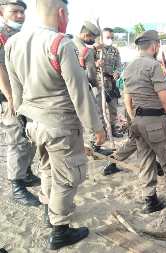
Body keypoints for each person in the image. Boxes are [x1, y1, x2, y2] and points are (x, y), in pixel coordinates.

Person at [5, 0, 106, 249]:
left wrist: (21, 116)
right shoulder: (61, 43)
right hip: (60, 124)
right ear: (61, 13)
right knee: (67, 177)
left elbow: (15, 87)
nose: (68, 18)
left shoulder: (13, 42)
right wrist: (96, 127)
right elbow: (79, 91)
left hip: (33, 122)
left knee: (48, 169)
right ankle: (60, 229)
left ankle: (49, 212)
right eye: (68, 13)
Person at [123, 30, 166, 217]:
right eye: (158, 46)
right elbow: (165, 100)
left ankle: (151, 201)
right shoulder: (153, 66)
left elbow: (127, 98)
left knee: (146, 161)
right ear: (154, 46)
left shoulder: (129, 67)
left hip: (138, 121)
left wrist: (134, 118)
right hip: (155, 121)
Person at [0, 0, 41, 207]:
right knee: (17, 141)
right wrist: (10, 98)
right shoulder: (1, 36)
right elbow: (0, 72)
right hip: (11, 100)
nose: (19, 15)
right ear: (2, 12)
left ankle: (26, 173)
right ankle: (17, 187)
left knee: (30, 137)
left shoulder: (21, 37)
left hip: (27, 96)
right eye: (14, 11)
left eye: (22, 12)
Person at [103, 101, 166, 176]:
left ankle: (113, 160)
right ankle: (162, 166)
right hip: (151, 119)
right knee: (162, 141)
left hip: (140, 112)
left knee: (135, 142)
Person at [73, 21, 112, 156]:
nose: (92, 41)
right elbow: (90, 74)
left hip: (71, 89)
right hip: (84, 88)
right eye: (91, 38)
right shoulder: (86, 50)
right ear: (85, 34)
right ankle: (94, 148)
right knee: (92, 117)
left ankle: (90, 148)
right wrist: (96, 86)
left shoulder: (70, 43)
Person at [96, 27, 122, 138]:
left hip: (111, 84)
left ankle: (114, 129)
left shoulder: (115, 50)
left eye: (112, 37)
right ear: (101, 37)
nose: (110, 39)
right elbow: (88, 66)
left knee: (113, 109)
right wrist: (96, 64)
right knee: (100, 110)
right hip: (99, 83)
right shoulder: (96, 50)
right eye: (107, 37)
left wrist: (117, 72)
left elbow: (119, 65)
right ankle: (103, 132)